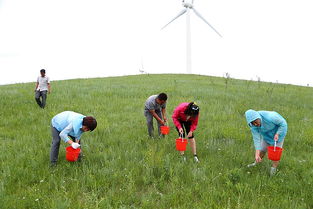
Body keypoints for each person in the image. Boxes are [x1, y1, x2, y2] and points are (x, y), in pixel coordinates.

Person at [245, 109, 287, 176]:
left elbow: (283, 124)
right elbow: (257, 140)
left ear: (258, 117)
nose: (256, 124)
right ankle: (256, 163)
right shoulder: (254, 127)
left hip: (278, 135)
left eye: (256, 122)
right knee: (262, 149)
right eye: (253, 123)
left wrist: (278, 133)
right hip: (267, 136)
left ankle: (273, 170)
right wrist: (257, 154)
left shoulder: (271, 117)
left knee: (276, 153)